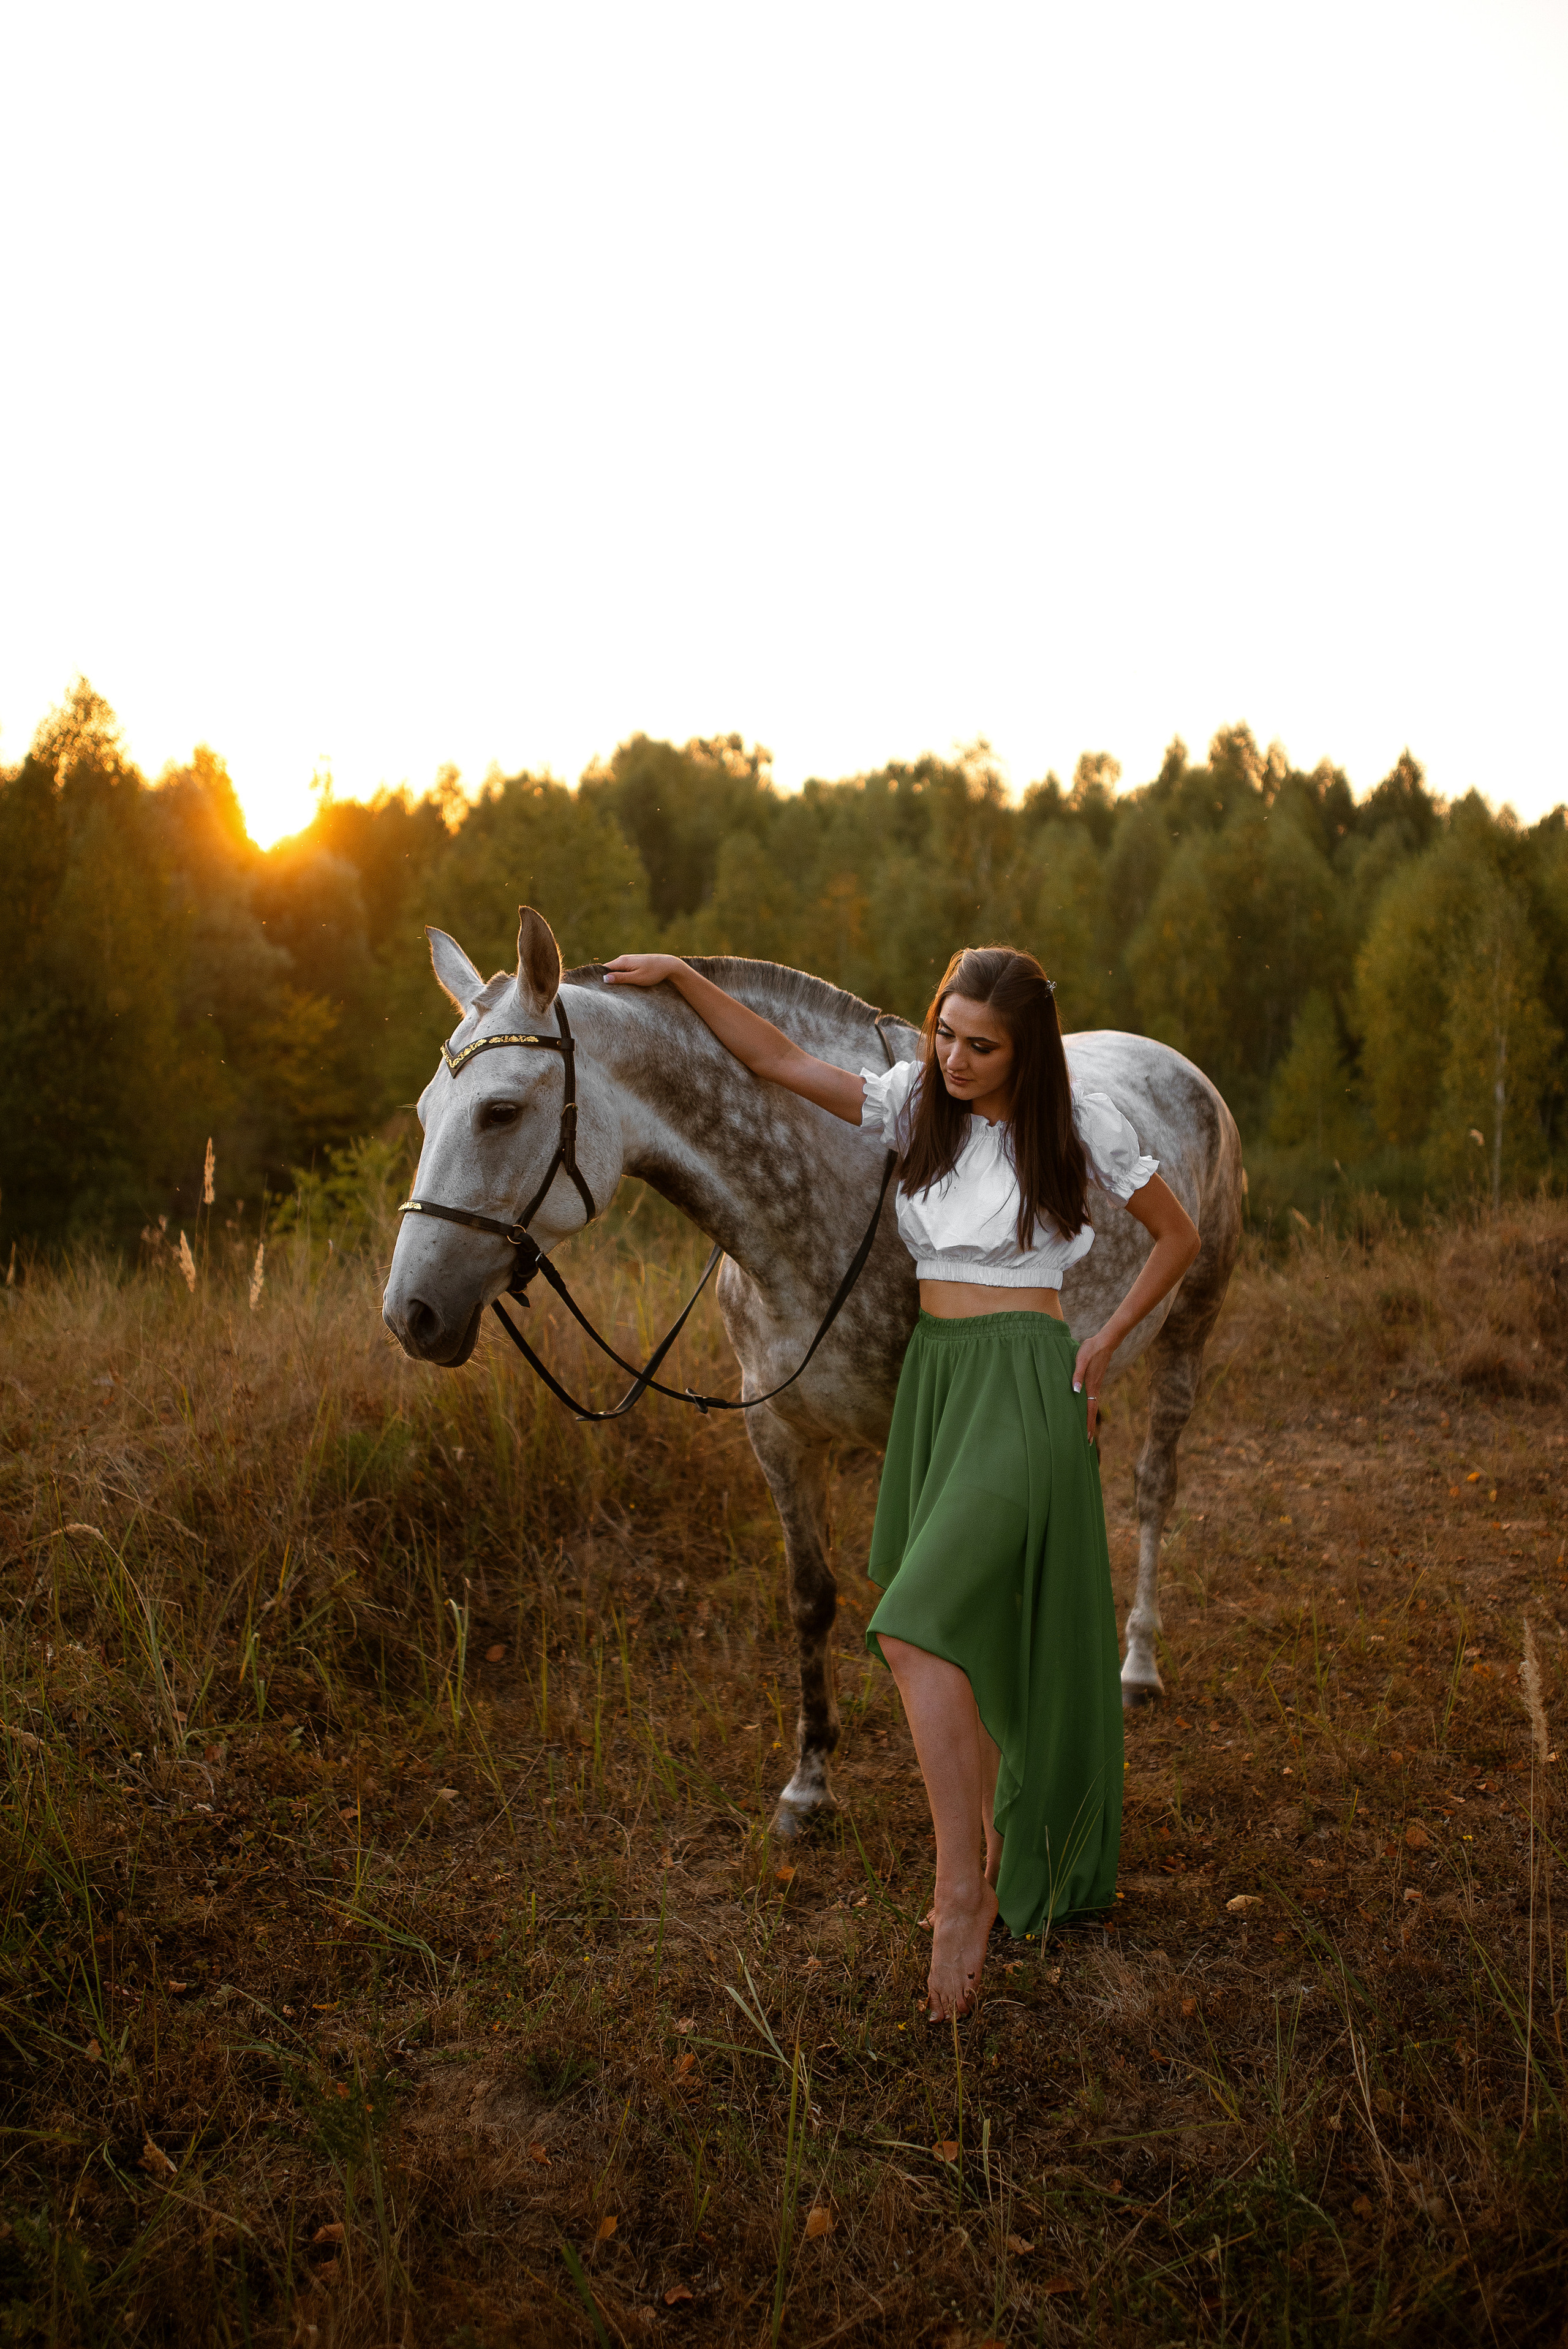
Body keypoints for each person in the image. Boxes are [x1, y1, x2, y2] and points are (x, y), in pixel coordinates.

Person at [602, 945, 1200, 2019]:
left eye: (982, 1046)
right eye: (945, 1034)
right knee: (962, 1628)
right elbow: (778, 1059)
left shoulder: (1078, 1128)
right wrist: (684, 978)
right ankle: (990, 1850)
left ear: (1026, 1053)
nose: (956, 1059)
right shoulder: (917, 1105)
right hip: (939, 1378)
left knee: (916, 1628)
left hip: (1026, 1380)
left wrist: (1107, 1341)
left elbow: (1177, 1233)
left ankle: (960, 1890)